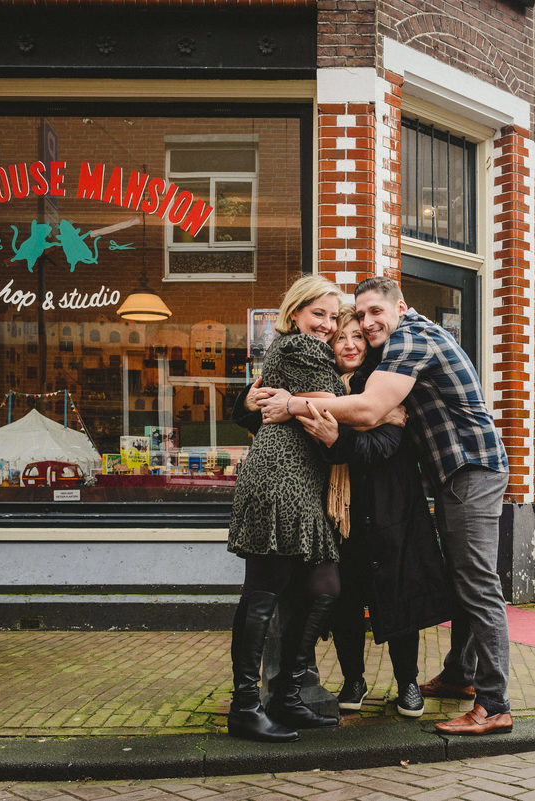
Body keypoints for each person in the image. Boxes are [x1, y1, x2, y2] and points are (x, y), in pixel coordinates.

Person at [258, 276, 513, 736]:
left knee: (478, 585)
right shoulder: (399, 346)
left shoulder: (411, 339)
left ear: (401, 307)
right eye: (360, 314)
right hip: (459, 474)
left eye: (376, 312)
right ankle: (460, 674)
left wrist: (292, 404)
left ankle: (494, 706)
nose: (368, 323)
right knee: (465, 581)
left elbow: (372, 412)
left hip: (470, 470)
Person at [239, 309, 452, 722]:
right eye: (341, 338)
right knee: (345, 600)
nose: (351, 344)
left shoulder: (382, 388)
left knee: (398, 596)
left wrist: (340, 434)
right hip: (339, 515)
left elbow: (383, 445)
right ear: (330, 346)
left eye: (358, 336)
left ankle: (407, 682)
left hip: (391, 510)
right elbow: (270, 416)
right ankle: (353, 679)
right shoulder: (320, 387)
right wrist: (246, 400)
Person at [225, 275, 347, 743]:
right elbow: (337, 404)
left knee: (324, 585)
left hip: (299, 481)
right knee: (263, 593)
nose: (328, 325)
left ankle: (287, 697)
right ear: (295, 312)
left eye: (334, 317)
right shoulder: (302, 348)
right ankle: (245, 706)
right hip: (280, 477)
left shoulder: (294, 350)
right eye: (320, 313)